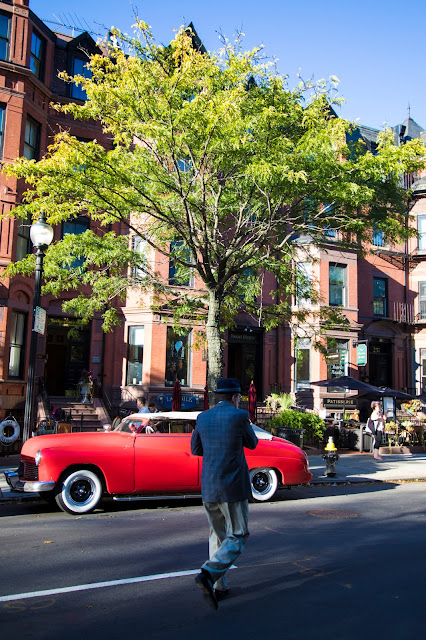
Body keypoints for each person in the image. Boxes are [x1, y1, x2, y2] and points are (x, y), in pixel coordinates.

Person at [191, 377, 258, 610]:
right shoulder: (240, 416)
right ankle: (208, 573)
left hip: (209, 486)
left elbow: (195, 449)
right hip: (233, 487)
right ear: (235, 397)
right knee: (238, 535)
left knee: (217, 536)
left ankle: (219, 586)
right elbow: (253, 444)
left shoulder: (203, 417)